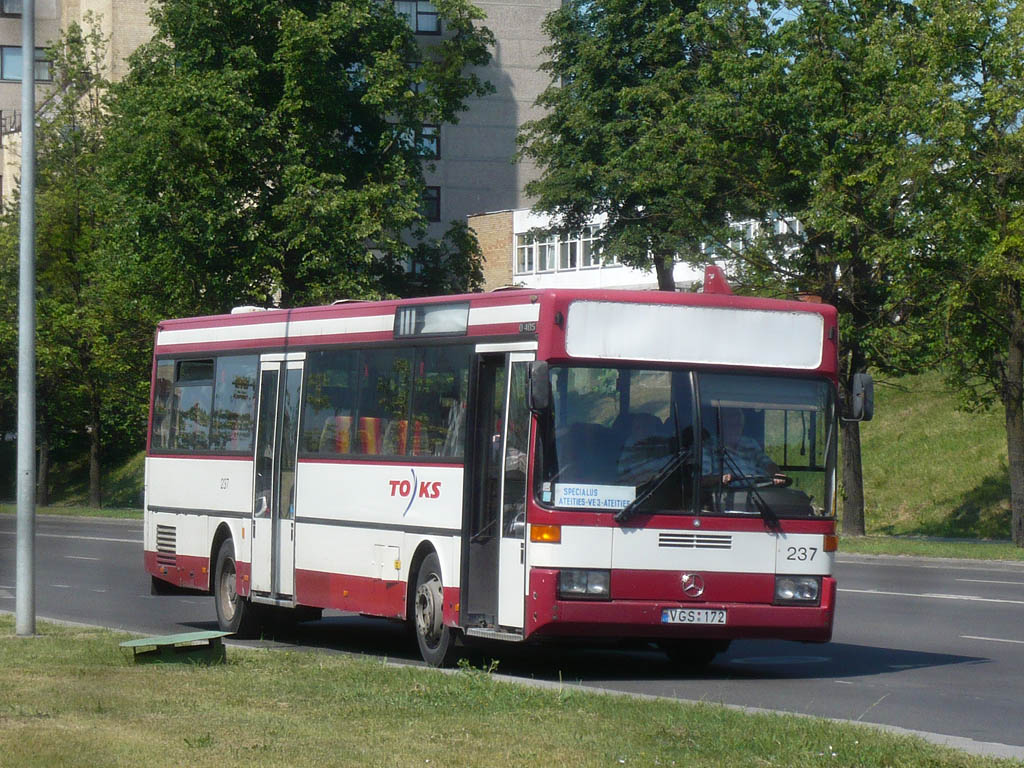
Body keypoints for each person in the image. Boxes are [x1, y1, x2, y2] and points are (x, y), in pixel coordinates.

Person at [702, 407, 788, 488]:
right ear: (721, 425)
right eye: (730, 424)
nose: (735, 428)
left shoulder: (750, 443)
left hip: (756, 495)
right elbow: (700, 480)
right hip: (723, 499)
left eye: (738, 424)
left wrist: (777, 474)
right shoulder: (708, 446)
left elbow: (767, 463)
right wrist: (720, 479)